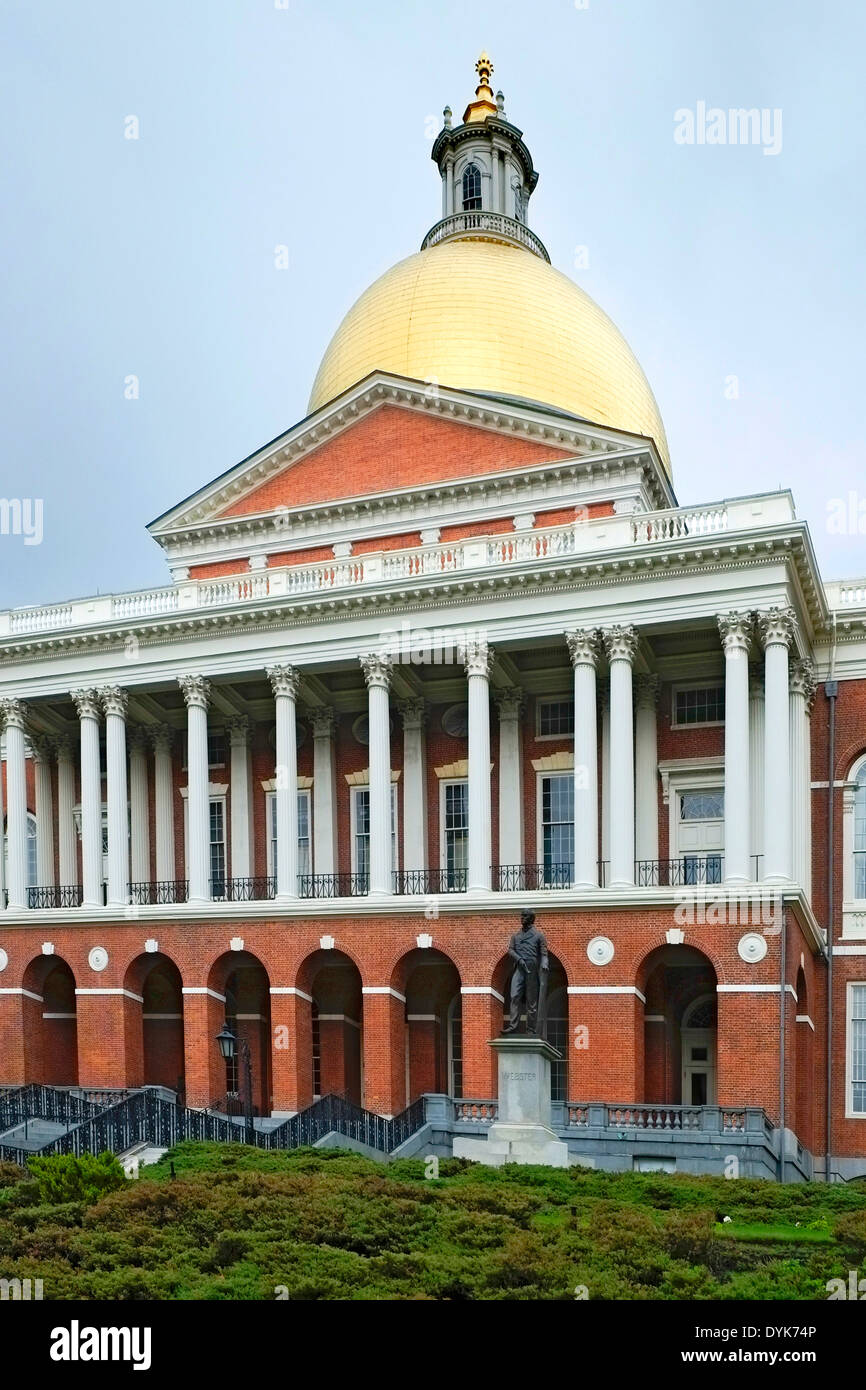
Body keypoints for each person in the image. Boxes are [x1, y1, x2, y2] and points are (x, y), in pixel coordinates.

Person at [503, 909, 549, 1036]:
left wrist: (544, 963)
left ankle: (530, 1029)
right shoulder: (515, 936)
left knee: (531, 1001)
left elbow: (544, 953)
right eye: (521, 915)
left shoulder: (539, 936)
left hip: (532, 970)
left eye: (525, 916)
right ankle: (513, 1026)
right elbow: (510, 950)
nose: (522, 918)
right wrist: (519, 959)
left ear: (531, 919)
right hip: (519, 968)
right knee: (514, 996)